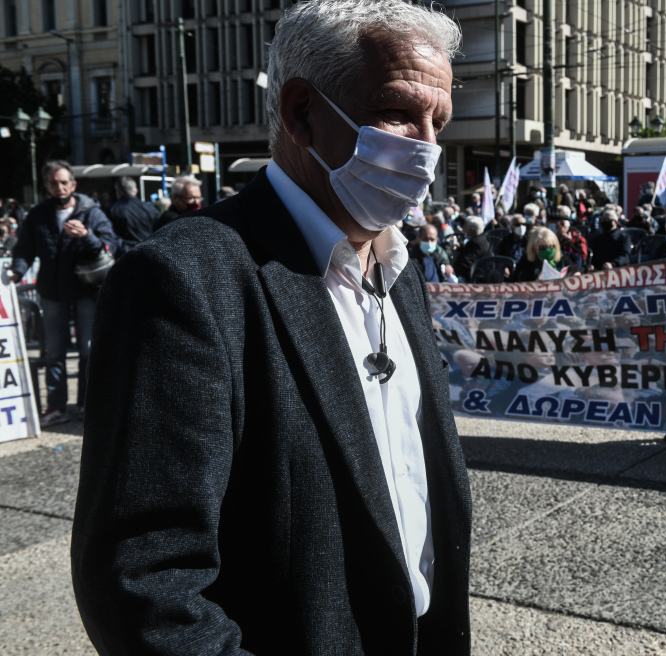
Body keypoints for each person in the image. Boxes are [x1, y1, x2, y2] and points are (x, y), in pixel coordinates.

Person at [71, 1, 472, 653]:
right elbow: (144, 586)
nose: (426, 147)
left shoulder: (402, 270)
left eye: (439, 122)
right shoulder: (184, 280)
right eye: (398, 112)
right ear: (301, 112)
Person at [6, 161, 119, 426]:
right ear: (46, 185)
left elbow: (110, 245)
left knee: (88, 351)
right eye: (54, 183)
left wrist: (87, 236)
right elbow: (24, 249)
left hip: (85, 291)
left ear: (73, 185)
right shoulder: (38, 214)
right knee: (54, 351)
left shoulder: (92, 212)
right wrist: (16, 273)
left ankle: (86, 405)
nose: (59, 187)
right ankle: (56, 407)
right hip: (52, 292)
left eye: (64, 182)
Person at [106, 176, 161, 255]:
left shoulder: (112, 209)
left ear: (118, 191)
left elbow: (109, 235)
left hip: (123, 255)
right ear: (136, 191)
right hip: (148, 253)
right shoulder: (151, 209)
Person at [509, 226, 577, 281]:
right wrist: (535, 283)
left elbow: (575, 269)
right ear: (533, 247)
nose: (547, 250)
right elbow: (515, 281)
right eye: (542, 247)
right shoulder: (526, 262)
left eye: (551, 246)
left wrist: (576, 274)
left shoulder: (562, 259)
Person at [453, 214, 490, 280]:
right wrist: (461, 247)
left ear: (472, 229)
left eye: (465, 225)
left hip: (474, 278)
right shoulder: (481, 238)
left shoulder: (476, 242)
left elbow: (466, 261)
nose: (463, 227)